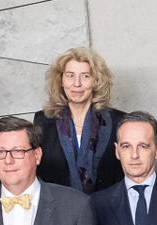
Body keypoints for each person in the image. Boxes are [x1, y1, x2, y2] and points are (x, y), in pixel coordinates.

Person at [37, 47, 124, 194]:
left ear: (96, 81)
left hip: (108, 210)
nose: (77, 84)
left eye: (85, 76)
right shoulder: (43, 121)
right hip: (59, 210)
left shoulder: (119, 121)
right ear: (61, 81)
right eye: (70, 75)